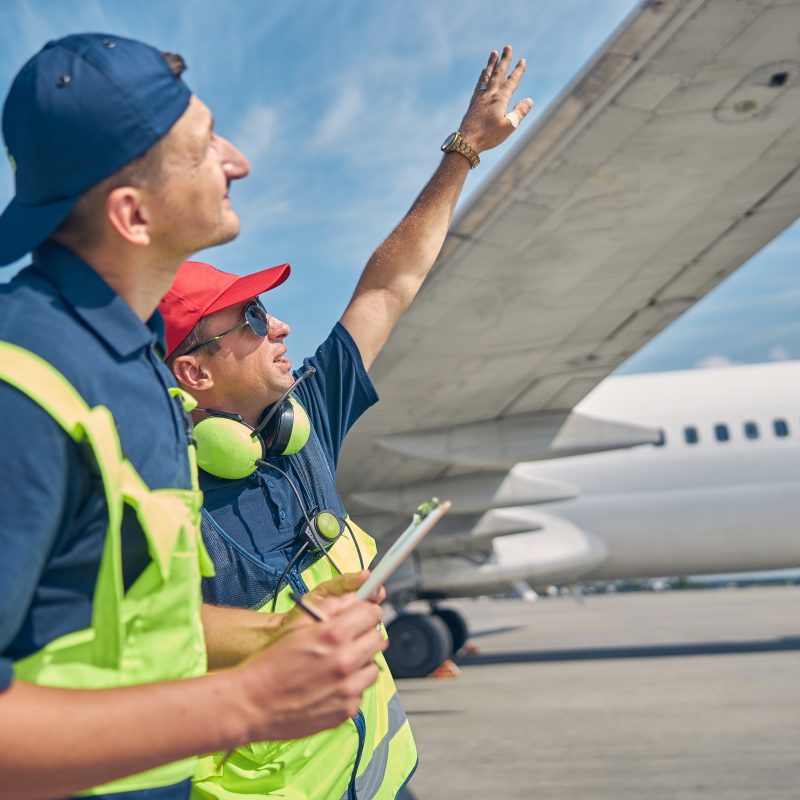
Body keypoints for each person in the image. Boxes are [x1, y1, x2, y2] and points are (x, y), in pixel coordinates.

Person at [0, 34, 387, 800]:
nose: (237, 160)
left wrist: (281, 633)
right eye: (204, 146)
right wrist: (246, 703)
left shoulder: (134, 370)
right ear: (133, 215)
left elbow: (132, 628)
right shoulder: (23, 387)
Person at [160, 44, 533, 799]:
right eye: (253, 318)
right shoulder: (162, 491)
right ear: (194, 372)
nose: (280, 328)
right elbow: (153, 648)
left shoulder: (302, 420)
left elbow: (388, 287)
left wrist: (464, 152)